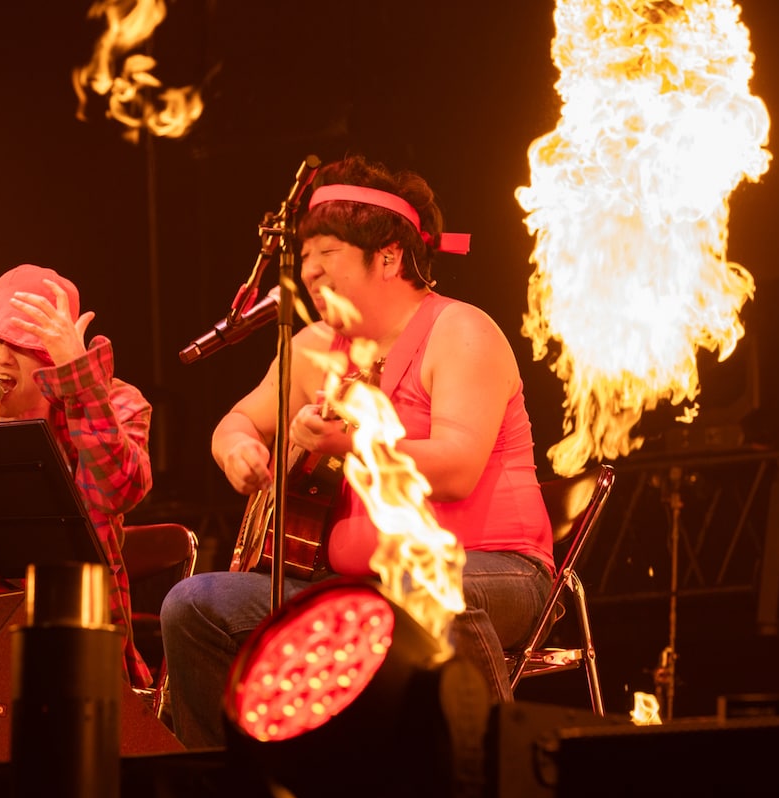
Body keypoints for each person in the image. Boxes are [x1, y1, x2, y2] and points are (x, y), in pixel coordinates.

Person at [159, 154, 554, 747]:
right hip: (356, 584)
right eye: (305, 255)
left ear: (389, 257)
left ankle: (491, 773)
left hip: (492, 567)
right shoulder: (314, 347)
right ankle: (236, 782)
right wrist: (238, 448)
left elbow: (455, 468)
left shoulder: (460, 331)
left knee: (416, 587)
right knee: (194, 606)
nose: (310, 270)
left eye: (328, 251)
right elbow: (238, 421)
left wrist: (351, 443)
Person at [0, 263, 154, 688]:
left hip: (70, 622)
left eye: (21, 344)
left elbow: (119, 491)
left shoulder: (116, 401)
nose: (1, 358)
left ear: (55, 353)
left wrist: (80, 384)